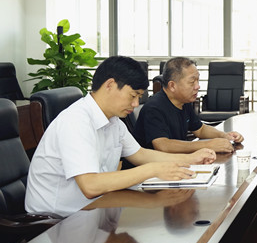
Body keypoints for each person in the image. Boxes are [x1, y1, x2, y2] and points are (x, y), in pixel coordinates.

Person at [25, 56, 217, 217]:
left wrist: (191, 159)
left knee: (158, 207)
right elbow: (90, 186)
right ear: (110, 85)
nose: (135, 104)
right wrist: (152, 170)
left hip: (93, 207)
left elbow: (141, 154)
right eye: (132, 96)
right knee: (152, 212)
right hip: (56, 221)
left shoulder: (113, 121)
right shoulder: (76, 121)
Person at [134, 57, 244, 154]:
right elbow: (163, 145)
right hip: (151, 168)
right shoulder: (154, 108)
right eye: (192, 82)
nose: (197, 86)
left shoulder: (183, 101)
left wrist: (224, 136)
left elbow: (200, 129)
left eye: (198, 80)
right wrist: (207, 145)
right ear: (172, 86)